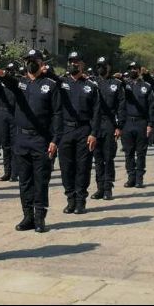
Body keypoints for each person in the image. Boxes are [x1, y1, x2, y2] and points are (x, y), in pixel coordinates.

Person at [0, 49, 62, 233]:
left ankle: (40, 217)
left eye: (34, 60)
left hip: (42, 139)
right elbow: (9, 82)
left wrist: (55, 139)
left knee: (40, 180)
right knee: (24, 180)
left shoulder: (50, 85)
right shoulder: (20, 83)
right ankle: (27, 216)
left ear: (41, 63)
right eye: (28, 60)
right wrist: (3, 76)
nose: (30, 63)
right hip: (21, 138)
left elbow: (57, 114)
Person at [47, 52, 100, 214]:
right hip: (65, 130)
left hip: (84, 130)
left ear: (82, 65)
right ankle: (70, 199)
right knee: (66, 167)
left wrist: (94, 133)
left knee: (83, 167)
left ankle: (80, 200)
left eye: (77, 62)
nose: (73, 65)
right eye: (71, 62)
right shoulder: (61, 83)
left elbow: (97, 112)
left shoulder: (91, 86)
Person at [92, 57, 126, 200]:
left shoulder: (117, 84)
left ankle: (108, 188)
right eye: (98, 65)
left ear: (109, 67)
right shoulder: (92, 83)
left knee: (108, 157)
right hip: (95, 124)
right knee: (97, 158)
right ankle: (99, 187)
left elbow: (121, 106)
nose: (101, 68)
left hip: (109, 123)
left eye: (103, 66)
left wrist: (119, 126)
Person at [122, 62, 154, 189]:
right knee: (128, 152)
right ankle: (131, 177)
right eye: (131, 69)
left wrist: (150, 124)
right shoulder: (124, 85)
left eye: (135, 68)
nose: (133, 71)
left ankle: (139, 178)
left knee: (141, 152)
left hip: (141, 122)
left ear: (139, 70)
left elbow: (151, 106)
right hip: (127, 123)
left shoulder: (146, 86)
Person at [0, 63, 18, 182]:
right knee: (5, 145)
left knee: (14, 145)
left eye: (12, 70)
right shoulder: (0, 84)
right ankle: (7, 172)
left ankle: (15, 173)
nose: (10, 72)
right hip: (2, 114)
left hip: (14, 114)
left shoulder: (18, 83)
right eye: (8, 70)